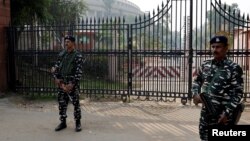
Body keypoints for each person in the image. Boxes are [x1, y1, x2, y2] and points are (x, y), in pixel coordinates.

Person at [191, 35, 244, 140]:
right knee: (204, 137)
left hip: (223, 117)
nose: (215, 50)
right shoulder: (205, 65)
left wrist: (227, 113)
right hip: (206, 114)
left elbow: (237, 93)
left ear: (226, 48)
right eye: (213, 47)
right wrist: (195, 94)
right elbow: (197, 81)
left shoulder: (234, 68)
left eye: (218, 47)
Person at [51, 35, 83, 132]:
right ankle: (63, 122)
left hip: (71, 84)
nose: (66, 43)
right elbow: (55, 67)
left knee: (75, 103)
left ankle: (78, 123)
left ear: (73, 43)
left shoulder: (78, 56)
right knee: (62, 103)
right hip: (61, 83)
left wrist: (72, 84)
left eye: (68, 41)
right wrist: (56, 78)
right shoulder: (62, 54)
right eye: (65, 41)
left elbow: (79, 72)